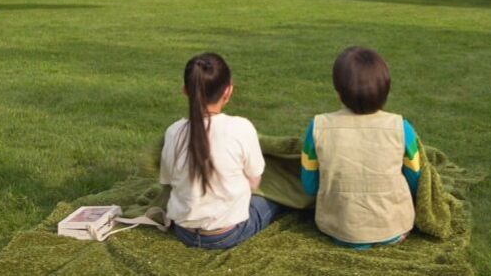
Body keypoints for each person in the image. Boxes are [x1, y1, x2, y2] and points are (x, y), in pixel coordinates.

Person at [300, 46, 422, 249]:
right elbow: (416, 180)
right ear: (386, 89)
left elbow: (309, 186)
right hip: (394, 227)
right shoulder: (402, 127)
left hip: (339, 229)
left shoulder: (318, 127)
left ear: (338, 91)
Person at [160, 52, 284, 249]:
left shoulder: (174, 131)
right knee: (277, 198)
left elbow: (167, 180)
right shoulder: (241, 127)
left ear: (185, 91)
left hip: (183, 231)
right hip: (229, 233)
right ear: (228, 91)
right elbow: (254, 181)